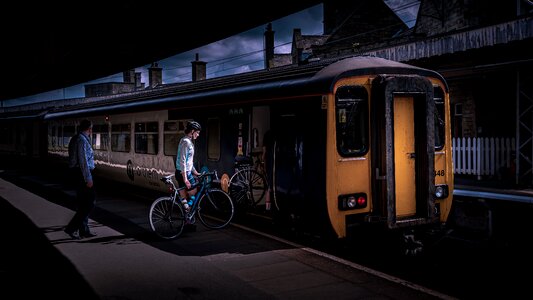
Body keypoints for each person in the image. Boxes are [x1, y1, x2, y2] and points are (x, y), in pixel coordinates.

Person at [64, 119, 96, 240]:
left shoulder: (77, 138)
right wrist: (88, 178)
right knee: (90, 202)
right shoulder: (81, 140)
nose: (91, 131)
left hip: (79, 173)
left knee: (84, 203)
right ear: (88, 129)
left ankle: (84, 230)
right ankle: (71, 228)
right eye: (91, 128)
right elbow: (83, 161)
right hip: (82, 174)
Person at [175, 120, 202, 211]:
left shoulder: (186, 141)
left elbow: (188, 161)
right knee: (194, 192)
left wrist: (195, 172)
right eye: (197, 132)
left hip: (181, 172)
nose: (198, 135)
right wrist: (185, 178)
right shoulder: (186, 142)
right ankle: (188, 213)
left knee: (184, 197)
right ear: (192, 131)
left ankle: (186, 217)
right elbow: (183, 161)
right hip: (184, 172)